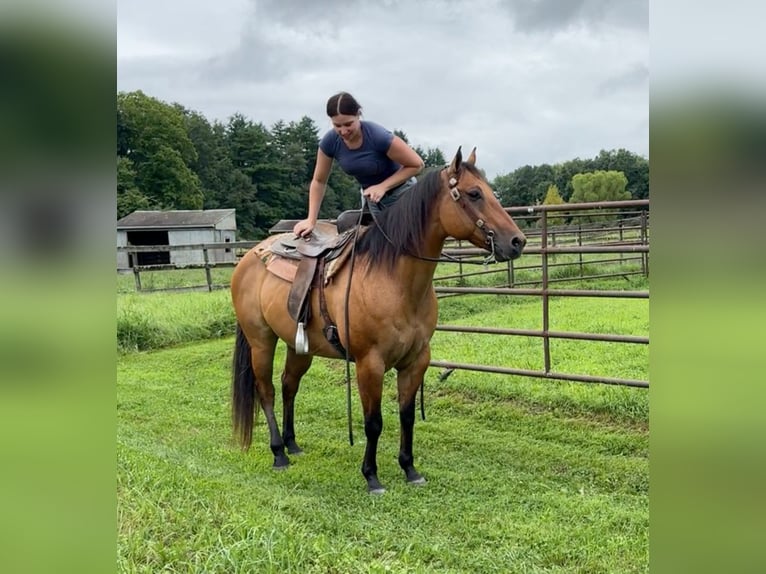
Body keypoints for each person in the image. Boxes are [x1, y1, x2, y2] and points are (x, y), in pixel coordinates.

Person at [293, 92, 425, 238]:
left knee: (405, 245)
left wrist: (383, 186)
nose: (343, 131)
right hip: (372, 201)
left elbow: (417, 165)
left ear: (358, 115)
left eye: (348, 124)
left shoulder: (378, 136)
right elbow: (319, 181)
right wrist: (311, 220)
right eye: (337, 125)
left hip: (403, 195)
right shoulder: (329, 142)